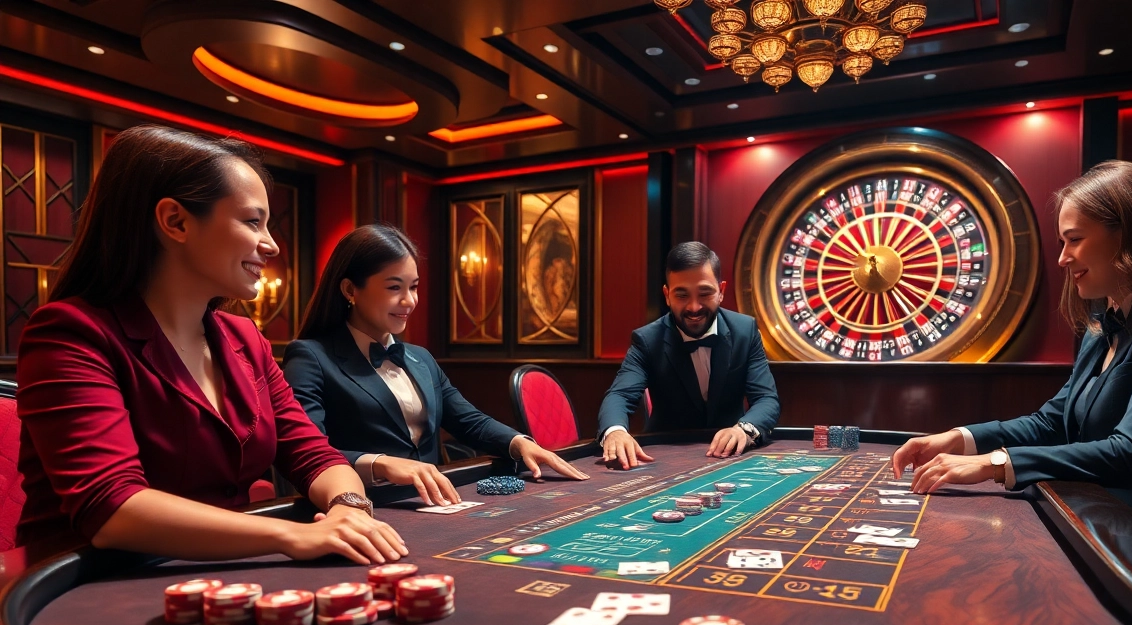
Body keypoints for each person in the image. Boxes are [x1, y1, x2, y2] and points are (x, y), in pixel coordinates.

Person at [14, 125, 406, 565]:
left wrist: (347, 507)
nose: (272, 244)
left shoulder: (244, 339)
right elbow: (113, 507)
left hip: (219, 572)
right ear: (175, 221)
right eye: (252, 221)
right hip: (80, 586)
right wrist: (291, 536)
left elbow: (314, 454)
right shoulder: (70, 332)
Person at [891, 160, 1132, 580]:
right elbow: (1053, 422)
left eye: (1075, 240)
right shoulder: (1108, 320)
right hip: (1113, 526)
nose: (1064, 258)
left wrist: (995, 464)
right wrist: (962, 439)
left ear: (1130, 235)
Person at [283, 224, 588, 506]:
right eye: (394, 288)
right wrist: (380, 463)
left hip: (433, 505)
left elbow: (469, 421)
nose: (409, 301)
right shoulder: (311, 357)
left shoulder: (421, 359)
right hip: (360, 509)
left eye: (413, 287)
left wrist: (519, 442)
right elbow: (305, 452)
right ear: (350, 290)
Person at [598, 241, 780, 469]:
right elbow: (619, 396)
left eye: (705, 293)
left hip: (733, 457)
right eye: (681, 295)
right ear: (667, 295)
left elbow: (766, 398)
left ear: (721, 291)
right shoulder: (647, 340)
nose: (694, 307)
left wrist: (744, 430)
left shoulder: (745, 331)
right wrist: (615, 432)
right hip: (664, 460)